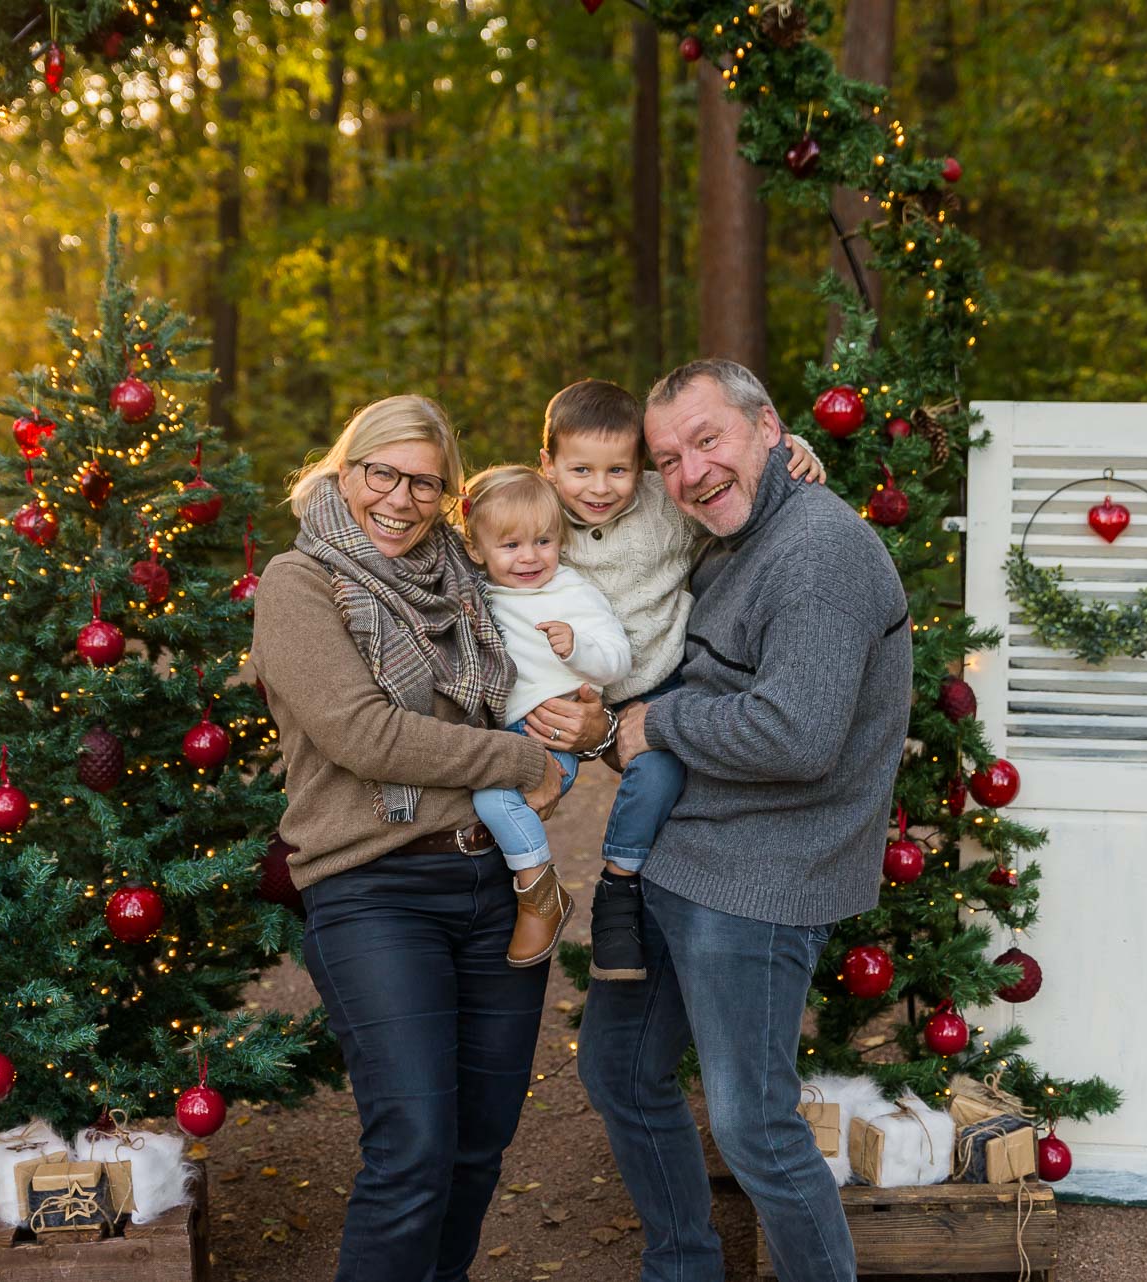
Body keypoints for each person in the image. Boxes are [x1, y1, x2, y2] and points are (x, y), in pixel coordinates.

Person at [250, 395, 615, 1282]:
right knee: (412, 1148)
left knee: (478, 1148)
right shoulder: (298, 585)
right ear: (347, 471)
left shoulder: (471, 579)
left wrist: (586, 721)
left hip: (499, 890)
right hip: (374, 888)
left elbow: (608, 519)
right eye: (385, 474)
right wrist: (516, 760)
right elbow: (363, 734)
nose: (402, 499)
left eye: (426, 483)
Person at [577, 360, 913, 1282]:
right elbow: (554, 500)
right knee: (619, 1072)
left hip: (764, 877)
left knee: (753, 1123)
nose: (690, 471)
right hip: (680, 858)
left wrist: (651, 724)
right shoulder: (725, 535)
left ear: (769, 428)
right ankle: (684, 1265)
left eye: (708, 439)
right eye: (668, 458)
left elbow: (799, 734)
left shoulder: (820, 552)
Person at [534, 378, 825, 981]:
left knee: (660, 771)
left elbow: (726, 487)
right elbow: (477, 518)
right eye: (580, 470)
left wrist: (792, 449)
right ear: (548, 466)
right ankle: (524, 886)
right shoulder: (536, 508)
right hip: (560, 680)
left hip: (651, 681)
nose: (598, 488)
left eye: (618, 471)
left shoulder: (663, 507)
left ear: (640, 469)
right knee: (525, 775)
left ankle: (618, 887)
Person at [461, 465, 632, 966]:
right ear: (478, 551)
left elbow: (618, 658)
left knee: (493, 797)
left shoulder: (571, 593)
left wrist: (577, 647)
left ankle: (539, 893)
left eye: (543, 541)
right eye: (510, 546)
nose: (530, 557)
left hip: (556, 729)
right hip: (507, 730)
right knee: (493, 804)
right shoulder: (481, 594)